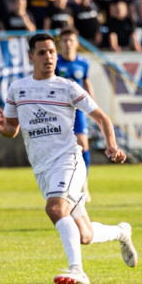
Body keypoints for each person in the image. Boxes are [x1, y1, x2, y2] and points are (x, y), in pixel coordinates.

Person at [0, 33, 137, 284]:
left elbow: (102, 117)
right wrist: (1, 127)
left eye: (51, 52)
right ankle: (122, 232)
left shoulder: (67, 87)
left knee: (56, 209)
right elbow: (13, 129)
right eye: (42, 52)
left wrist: (112, 145)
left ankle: (77, 271)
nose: (48, 57)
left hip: (68, 160)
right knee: (85, 235)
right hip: (42, 168)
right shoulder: (17, 88)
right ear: (31, 57)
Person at [56, 28, 95, 201]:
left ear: (77, 43)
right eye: (64, 40)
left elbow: (87, 82)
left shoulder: (83, 63)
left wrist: (92, 106)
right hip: (61, 111)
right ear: (60, 43)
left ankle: (84, 184)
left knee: (84, 145)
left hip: (78, 111)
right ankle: (63, 184)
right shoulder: (56, 63)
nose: (68, 43)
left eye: (71, 40)